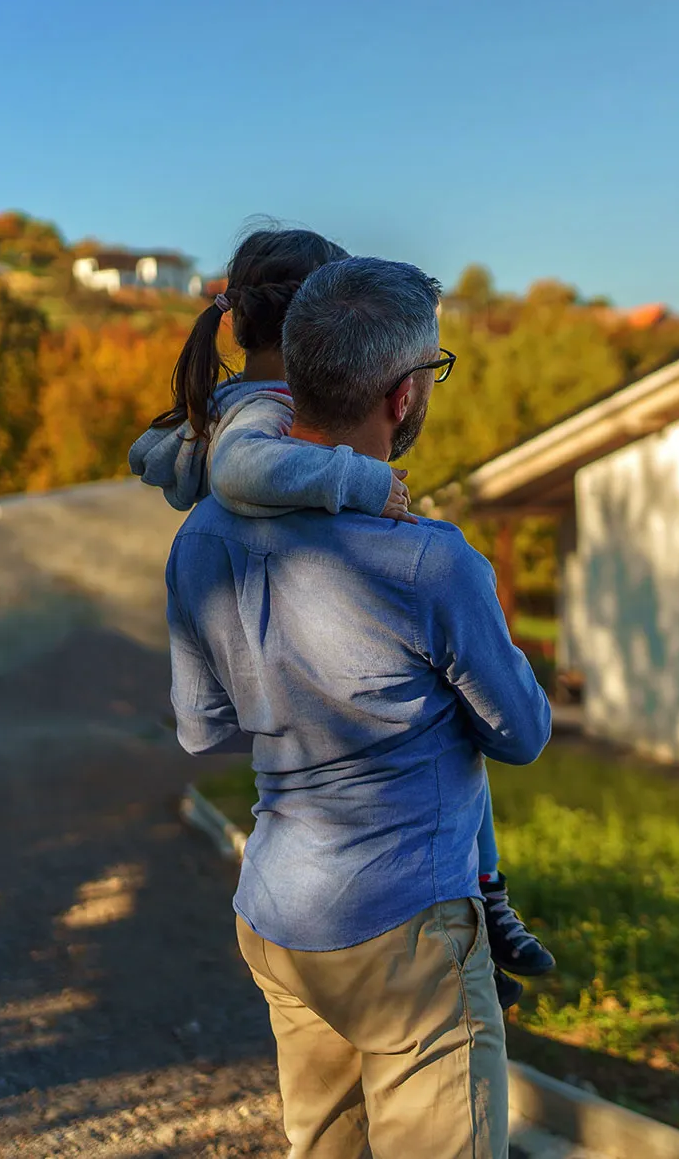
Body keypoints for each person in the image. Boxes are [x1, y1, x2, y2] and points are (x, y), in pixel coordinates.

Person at [165, 256, 552, 1158]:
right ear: (404, 395)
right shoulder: (431, 560)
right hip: (405, 932)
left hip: (278, 915)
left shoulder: (201, 536)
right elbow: (523, 733)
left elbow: (202, 724)